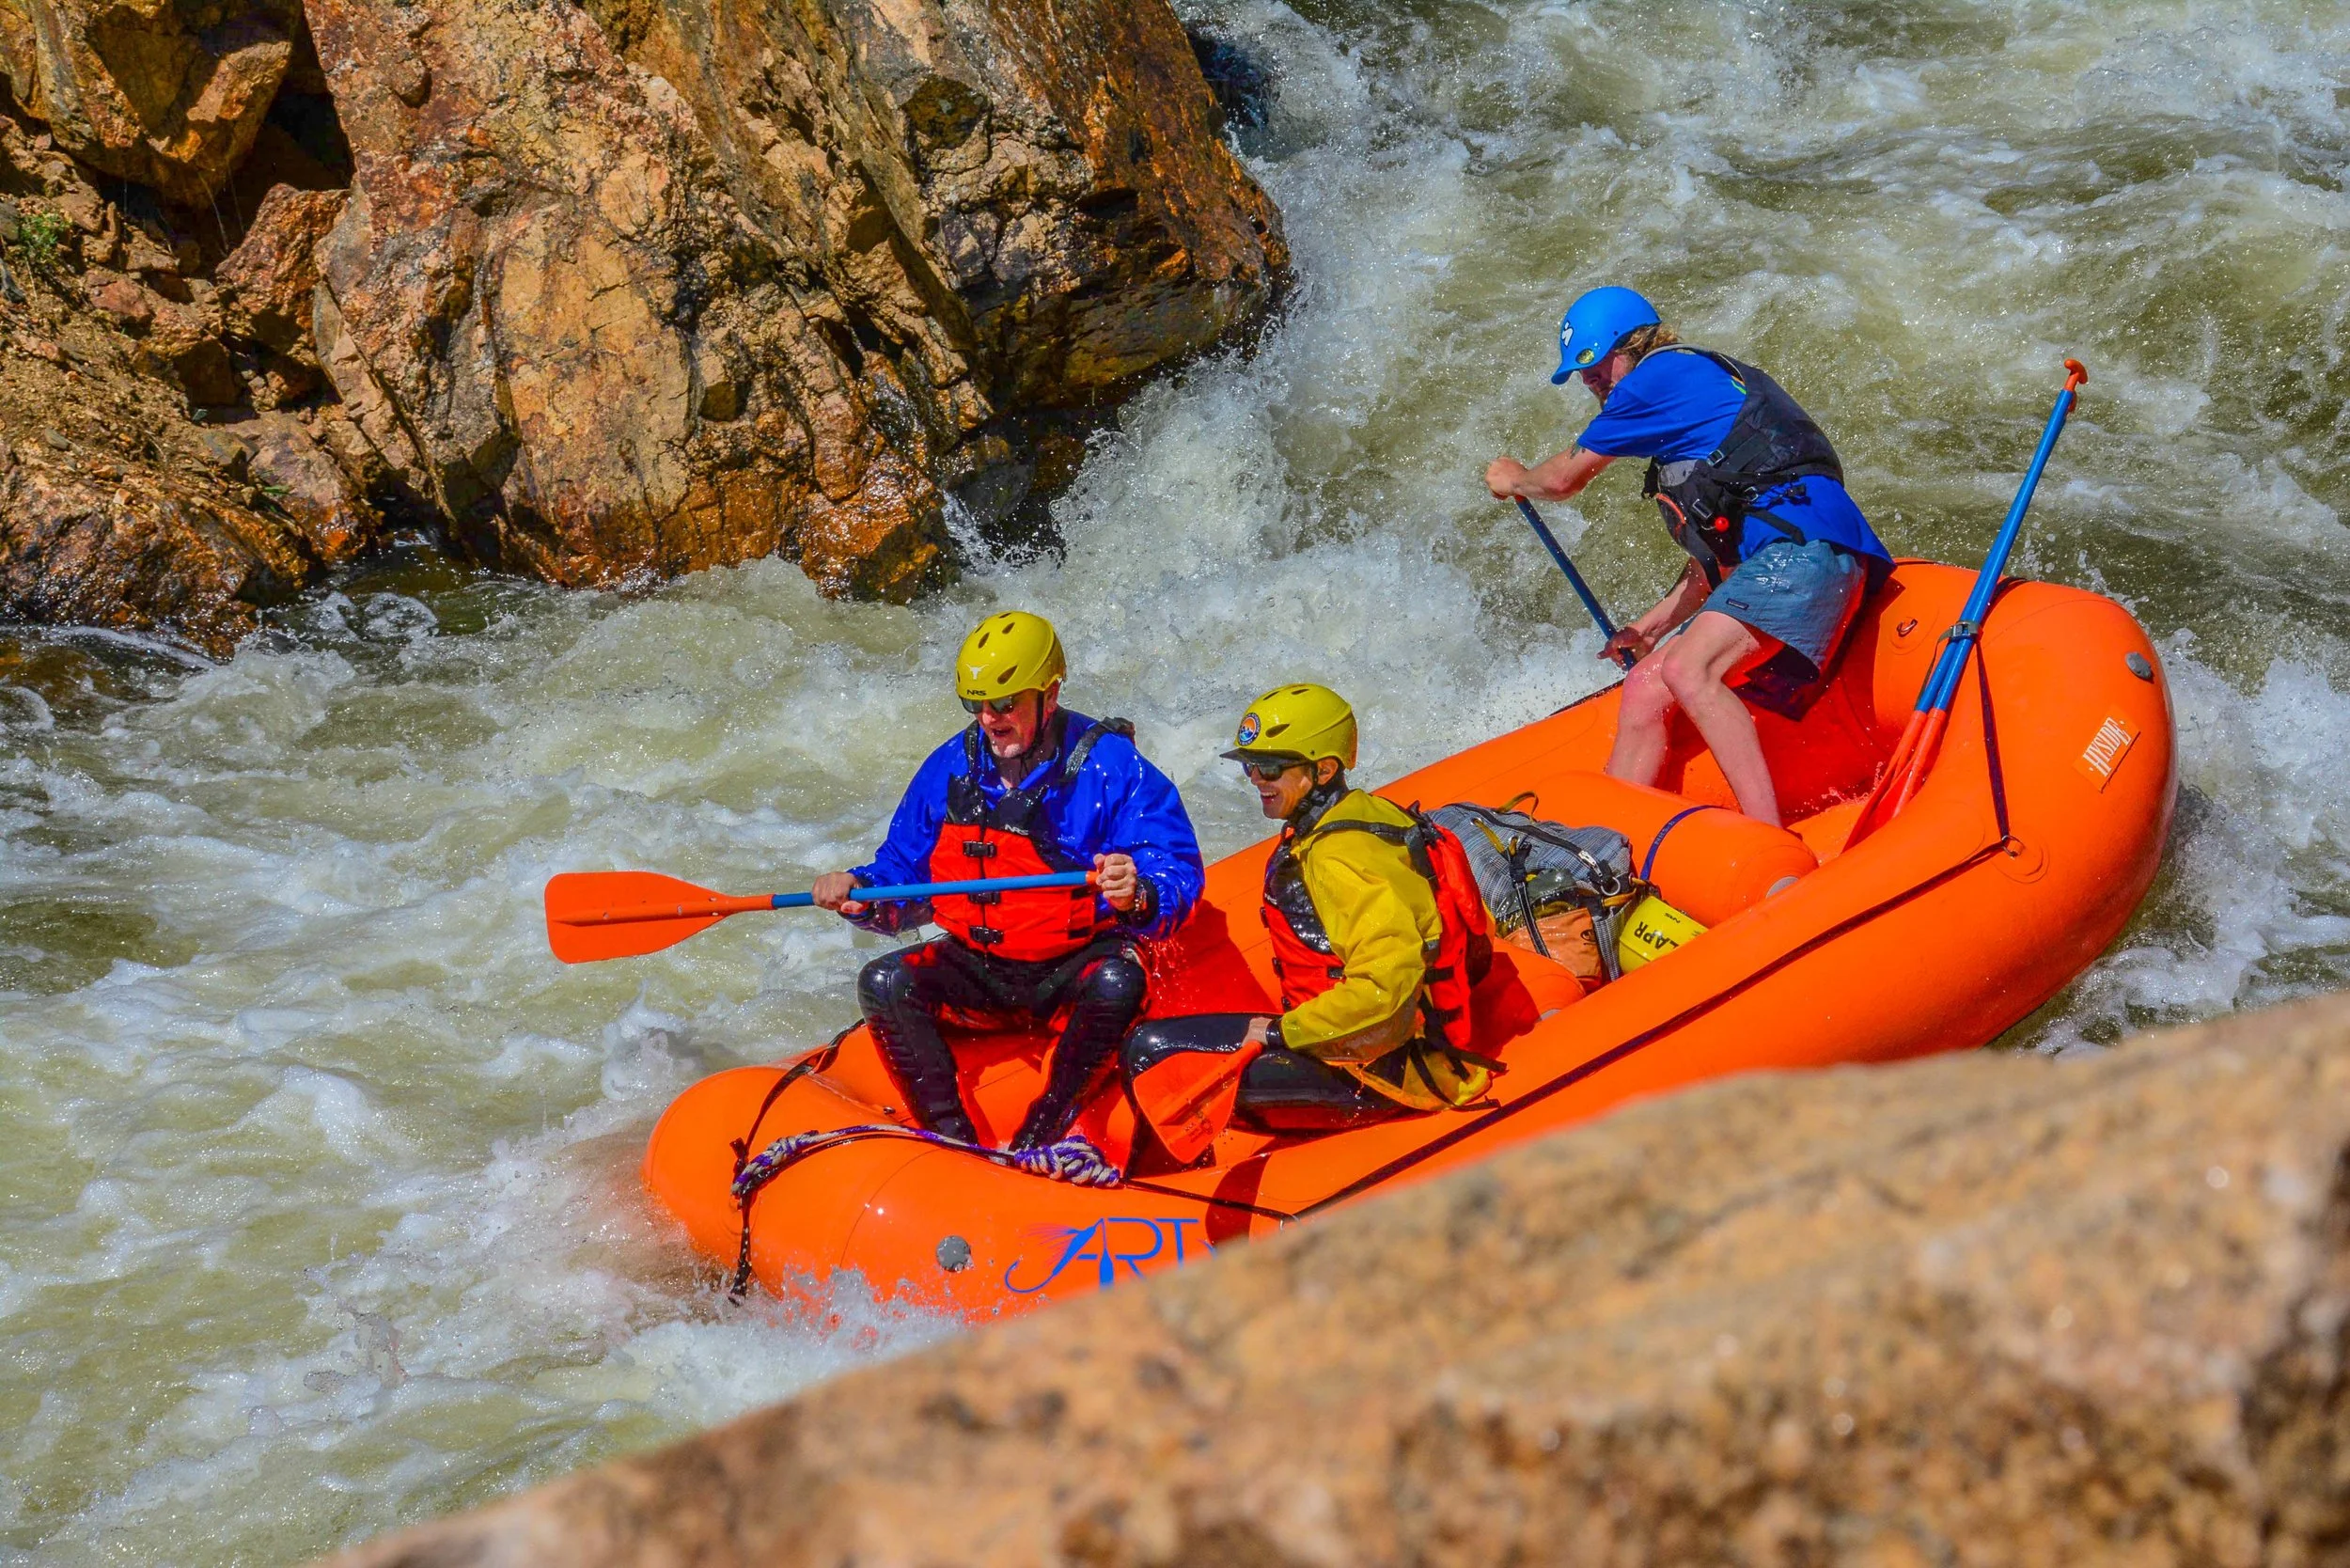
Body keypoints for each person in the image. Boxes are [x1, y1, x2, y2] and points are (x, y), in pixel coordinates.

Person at [1485, 286, 1894, 826]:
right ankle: (1606, 847)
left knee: (1688, 668)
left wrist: (1514, 478)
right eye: (1581, 373)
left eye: (1595, 364)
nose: (1589, 380)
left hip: (1811, 552)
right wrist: (1649, 628)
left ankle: (1768, 837)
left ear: (1631, 344)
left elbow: (1561, 480)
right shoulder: (1682, 414)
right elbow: (1710, 570)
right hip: (1788, 560)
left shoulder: (1660, 377)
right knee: (1647, 684)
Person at [812, 611, 1204, 1151]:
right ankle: (952, 1142)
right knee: (883, 982)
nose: (990, 718)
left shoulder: (1112, 767)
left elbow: (1177, 867)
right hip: (983, 969)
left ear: (1051, 692)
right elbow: (903, 876)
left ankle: (1036, 1139)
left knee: (1119, 982)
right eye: (977, 705)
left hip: (1073, 966)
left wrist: (1139, 891)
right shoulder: (949, 767)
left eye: (1004, 703)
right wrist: (859, 892)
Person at [1120, 683, 1495, 1151]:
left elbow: (1385, 987)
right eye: (1249, 766)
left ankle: (1166, 1188)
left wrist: (1281, 1031)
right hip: (1367, 1045)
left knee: (1150, 1052)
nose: (1255, 778)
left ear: (1324, 769)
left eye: (1271, 768)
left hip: (1387, 1072)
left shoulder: (1340, 859)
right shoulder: (1368, 814)